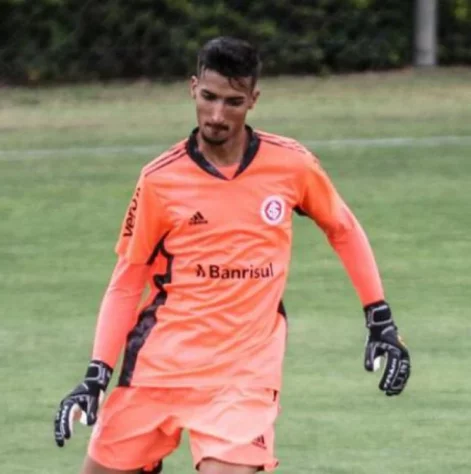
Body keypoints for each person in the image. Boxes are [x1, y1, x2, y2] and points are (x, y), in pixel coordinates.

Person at [53, 36, 411, 474]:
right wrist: (96, 373)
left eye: (233, 102)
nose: (218, 115)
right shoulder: (160, 180)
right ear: (193, 89)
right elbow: (127, 281)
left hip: (243, 377)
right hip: (157, 368)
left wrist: (380, 318)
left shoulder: (291, 165)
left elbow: (343, 229)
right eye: (208, 98)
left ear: (253, 100)